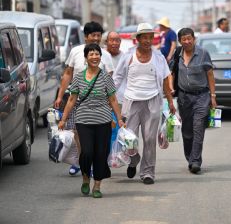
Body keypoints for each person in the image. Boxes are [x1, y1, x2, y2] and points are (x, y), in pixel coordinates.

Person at [113, 23, 176, 185]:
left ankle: (148, 172)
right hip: (131, 101)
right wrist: (109, 97)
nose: (148, 40)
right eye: (144, 37)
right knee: (129, 139)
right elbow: (117, 78)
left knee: (149, 139)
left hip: (153, 101)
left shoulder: (159, 57)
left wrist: (170, 102)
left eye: (150, 37)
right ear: (138, 39)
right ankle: (134, 160)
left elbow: (164, 81)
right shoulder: (128, 56)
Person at [58, 43, 123, 198]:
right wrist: (63, 119)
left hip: (103, 121)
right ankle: (86, 178)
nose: (95, 57)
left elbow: (113, 99)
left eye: (97, 54)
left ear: (100, 57)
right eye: (91, 54)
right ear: (86, 58)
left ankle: (97, 185)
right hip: (83, 120)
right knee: (86, 152)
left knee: (101, 154)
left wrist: (119, 119)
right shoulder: (79, 77)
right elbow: (72, 99)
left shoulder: (106, 77)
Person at [54, 21, 114, 176]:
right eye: (93, 35)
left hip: (99, 104)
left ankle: (93, 165)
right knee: (78, 133)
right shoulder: (75, 51)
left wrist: (109, 104)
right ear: (86, 37)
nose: (96, 38)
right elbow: (68, 74)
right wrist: (60, 96)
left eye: (99, 36)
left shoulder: (105, 55)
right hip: (77, 101)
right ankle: (82, 162)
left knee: (96, 139)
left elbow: (110, 80)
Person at [171, 28, 217, 174]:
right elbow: (171, 73)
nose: (187, 41)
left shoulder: (203, 53)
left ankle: (196, 161)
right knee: (187, 131)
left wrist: (213, 96)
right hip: (184, 97)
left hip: (201, 96)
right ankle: (190, 157)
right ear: (180, 41)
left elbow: (210, 74)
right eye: (184, 39)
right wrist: (171, 89)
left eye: (189, 38)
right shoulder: (177, 54)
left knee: (198, 128)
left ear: (194, 39)